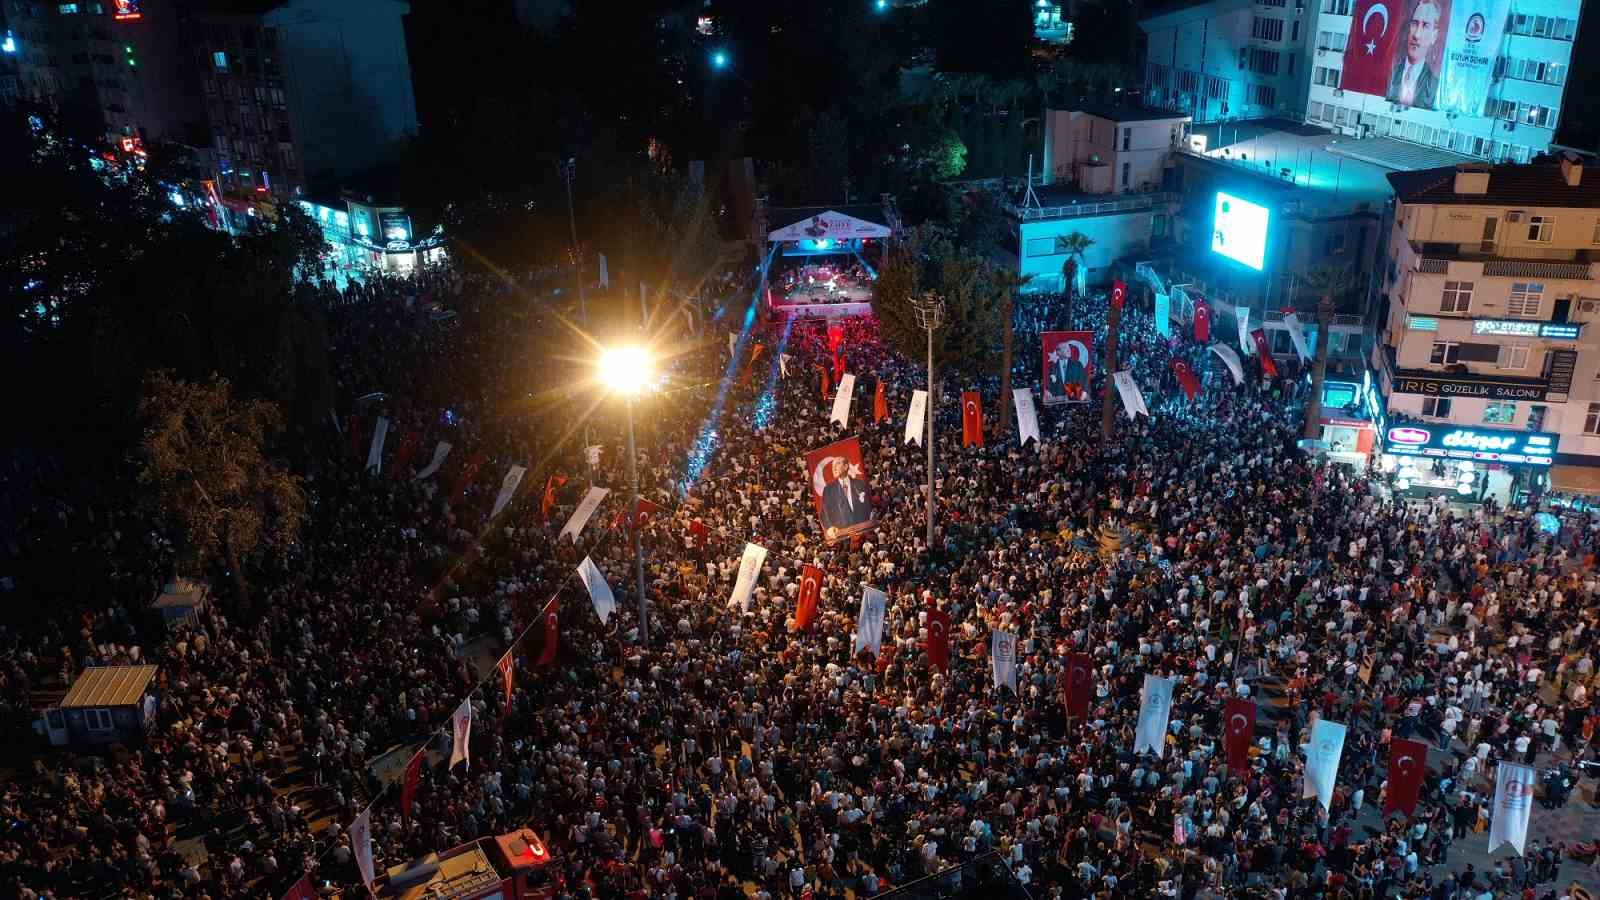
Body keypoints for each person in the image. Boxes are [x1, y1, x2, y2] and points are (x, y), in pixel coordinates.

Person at [1386, 0, 1442, 110]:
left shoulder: (1435, 85)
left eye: (1425, 26)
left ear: (1434, 36)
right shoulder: (1391, 73)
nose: (1416, 34)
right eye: (1414, 24)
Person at [819, 456, 871, 539]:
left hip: (863, 532)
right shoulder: (828, 490)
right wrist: (829, 527)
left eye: (837, 464)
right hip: (843, 535)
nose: (833, 468)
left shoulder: (860, 484)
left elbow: (868, 507)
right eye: (832, 466)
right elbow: (824, 513)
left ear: (846, 466)